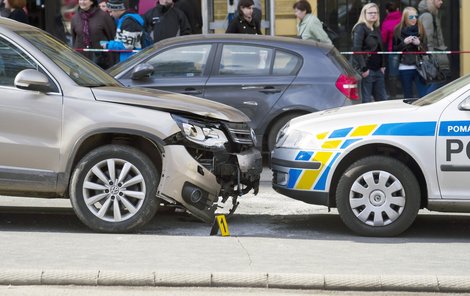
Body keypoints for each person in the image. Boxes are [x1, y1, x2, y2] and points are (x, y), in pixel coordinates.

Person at [351, 3, 387, 103]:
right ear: (364, 14)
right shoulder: (360, 28)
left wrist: (383, 65)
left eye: (375, 13)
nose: (373, 15)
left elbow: (380, 49)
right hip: (367, 69)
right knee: (366, 101)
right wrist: (364, 69)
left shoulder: (375, 28)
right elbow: (356, 49)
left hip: (378, 69)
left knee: (383, 100)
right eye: (370, 13)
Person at [392, 6, 427, 99]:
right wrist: (404, 43)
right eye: (411, 17)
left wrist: (419, 44)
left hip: (420, 67)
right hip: (404, 66)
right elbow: (394, 50)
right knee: (408, 96)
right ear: (405, 17)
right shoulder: (398, 30)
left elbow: (426, 49)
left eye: (416, 16)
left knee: (423, 95)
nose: (414, 19)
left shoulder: (420, 28)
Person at [72, 0, 115, 69]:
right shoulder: (75, 18)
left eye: (85, 0)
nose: (82, 2)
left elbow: (112, 36)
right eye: (80, 0)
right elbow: (74, 39)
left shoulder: (103, 16)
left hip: (100, 60)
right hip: (80, 59)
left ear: (92, 2)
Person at [418, 0, 449, 94]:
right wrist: (431, 58)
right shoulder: (428, 16)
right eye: (439, 0)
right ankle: (425, 102)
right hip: (435, 55)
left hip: (435, 53)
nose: (441, 2)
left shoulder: (430, 14)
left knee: (438, 82)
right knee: (438, 82)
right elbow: (428, 38)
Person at [381, 2, 401, 99]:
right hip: (406, 50)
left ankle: (393, 96)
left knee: (393, 75)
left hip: (393, 51)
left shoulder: (386, 22)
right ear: (398, 10)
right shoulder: (403, 19)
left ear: (386, 11)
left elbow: (383, 39)